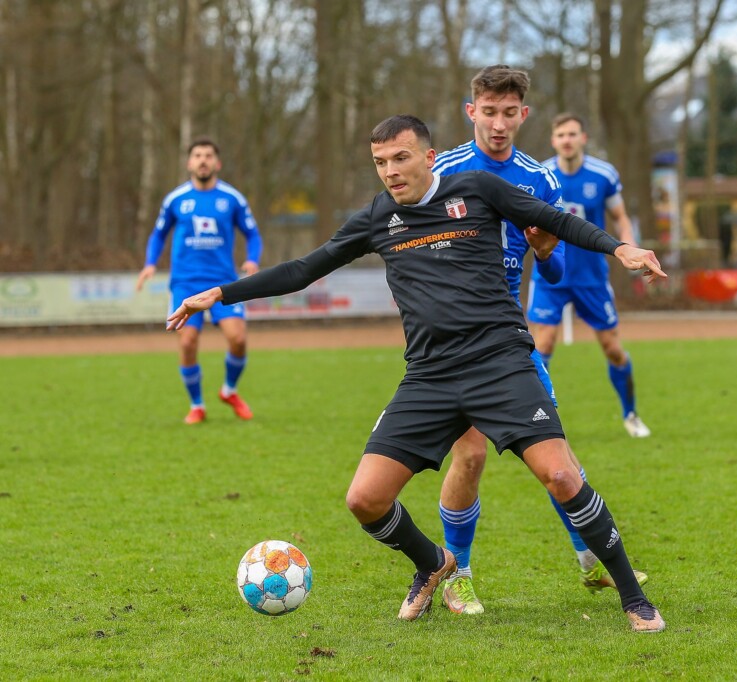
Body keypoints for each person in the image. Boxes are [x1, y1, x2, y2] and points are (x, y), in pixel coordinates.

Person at [167, 115, 667, 632]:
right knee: (364, 500)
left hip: (501, 364)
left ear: (429, 157)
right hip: (430, 377)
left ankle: (632, 596)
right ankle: (433, 564)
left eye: (400, 158)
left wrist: (620, 248)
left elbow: (555, 220)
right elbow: (302, 269)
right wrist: (222, 293)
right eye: (380, 162)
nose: (390, 172)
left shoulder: (477, 188)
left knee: (562, 475)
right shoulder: (377, 218)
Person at [431, 66, 645, 617]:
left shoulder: (539, 180)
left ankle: (591, 562)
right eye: (488, 111)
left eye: (509, 113)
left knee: (557, 460)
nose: (498, 123)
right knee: (471, 455)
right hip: (454, 342)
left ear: (523, 116)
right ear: (470, 110)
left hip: (509, 337)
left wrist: (546, 253)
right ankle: (458, 575)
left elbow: (551, 274)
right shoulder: (442, 171)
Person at [528, 113, 651, 438]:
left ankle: (631, 414)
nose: (566, 140)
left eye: (572, 134)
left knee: (612, 347)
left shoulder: (603, 174)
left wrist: (631, 247)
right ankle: (541, 425)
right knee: (543, 344)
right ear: (554, 141)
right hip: (550, 274)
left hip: (591, 278)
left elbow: (621, 218)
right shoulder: (541, 174)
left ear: (583, 138)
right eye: (560, 135)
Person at [136, 137, 262, 424]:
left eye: (208, 155)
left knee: (238, 339)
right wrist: (149, 263)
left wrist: (253, 259)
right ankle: (197, 406)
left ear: (216, 163)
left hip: (223, 282)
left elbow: (253, 234)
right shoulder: (175, 199)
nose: (203, 160)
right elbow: (158, 234)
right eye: (197, 155)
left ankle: (229, 391)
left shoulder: (232, 198)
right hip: (185, 283)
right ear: (189, 163)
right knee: (188, 342)